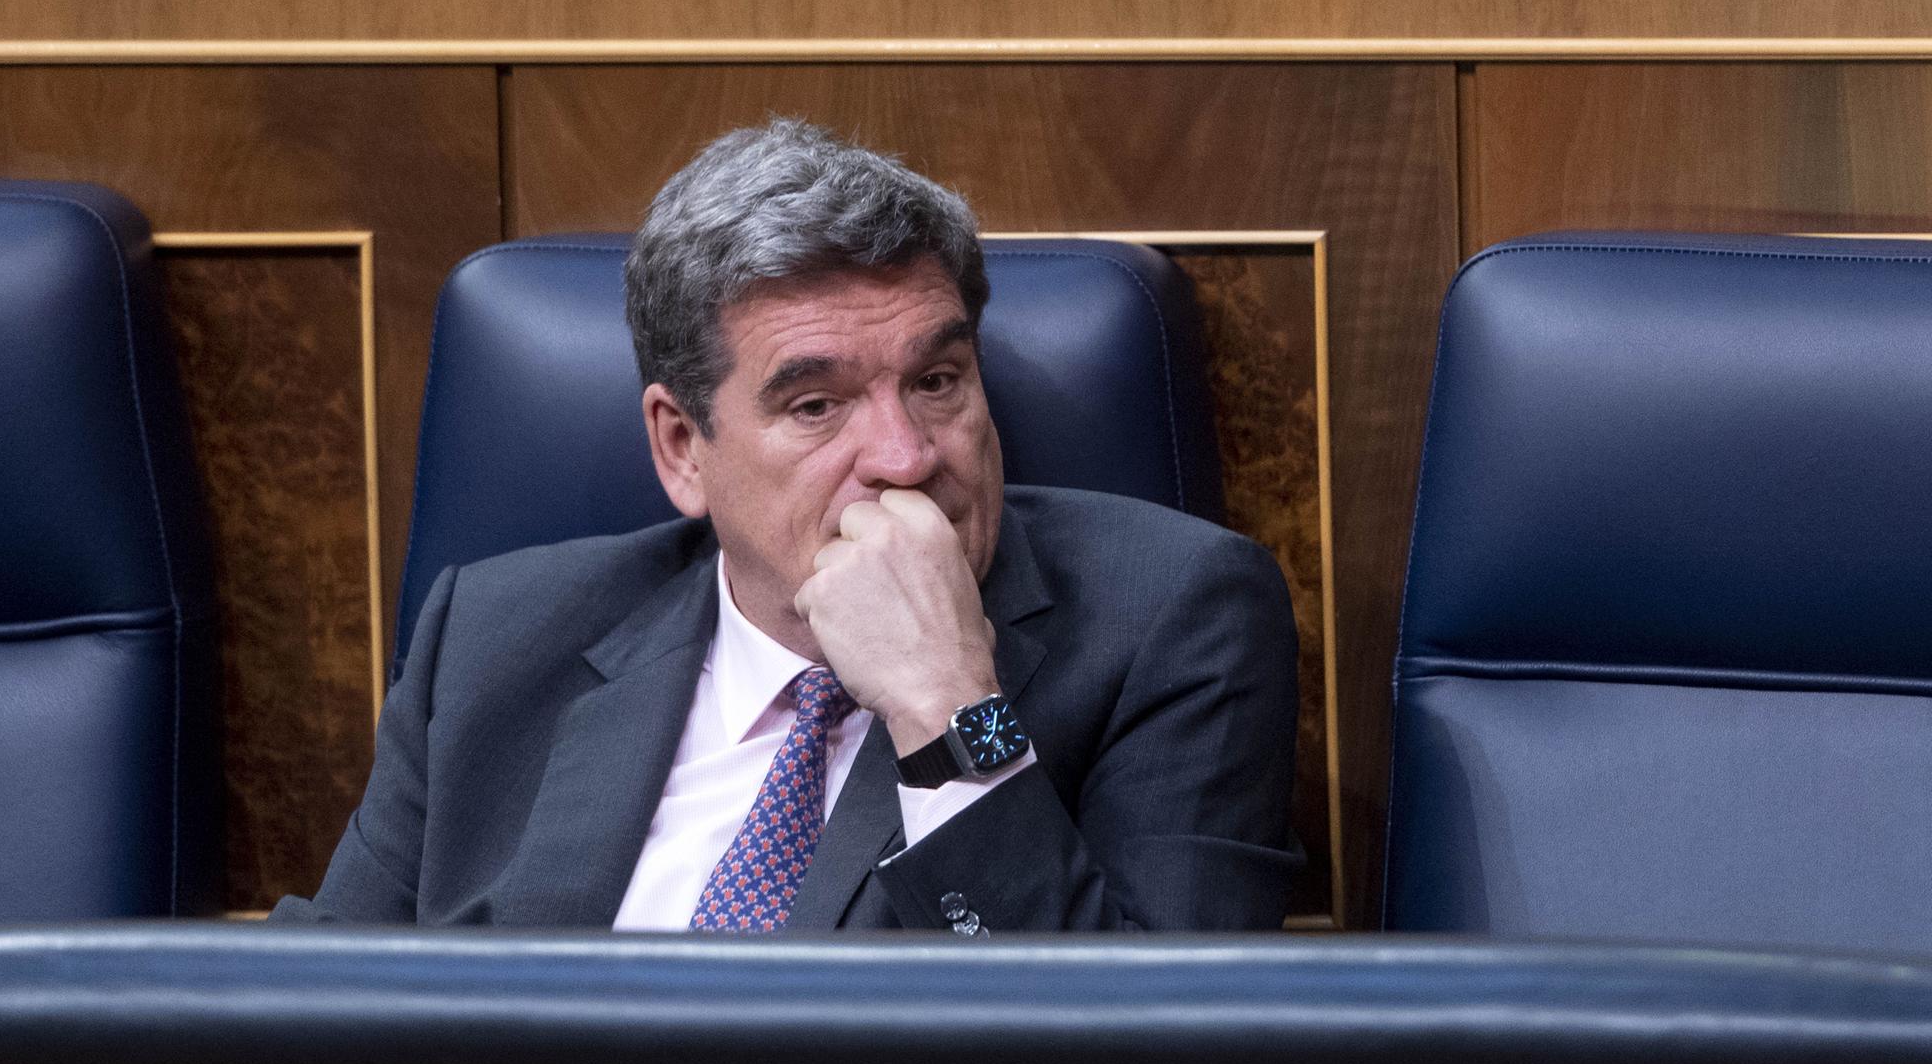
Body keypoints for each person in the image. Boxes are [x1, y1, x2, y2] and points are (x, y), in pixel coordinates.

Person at [274, 119, 1300, 933]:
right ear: (682, 446)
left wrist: (947, 710)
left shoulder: (1172, 620)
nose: (903, 456)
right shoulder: (496, 638)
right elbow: (309, 1016)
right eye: (816, 406)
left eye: (937, 380)